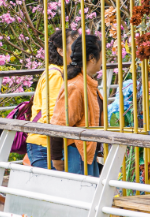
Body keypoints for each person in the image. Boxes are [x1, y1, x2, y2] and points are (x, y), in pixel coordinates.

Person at [51, 33, 105, 176]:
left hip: (87, 151)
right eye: (101, 56)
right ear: (92, 58)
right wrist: (56, 157)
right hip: (77, 151)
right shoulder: (76, 86)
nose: (103, 61)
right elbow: (59, 124)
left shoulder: (87, 84)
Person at [24, 30, 69, 169]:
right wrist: (56, 154)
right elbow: (52, 115)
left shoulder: (59, 72)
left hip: (47, 143)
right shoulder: (55, 75)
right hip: (44, 144)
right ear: (60, 51)